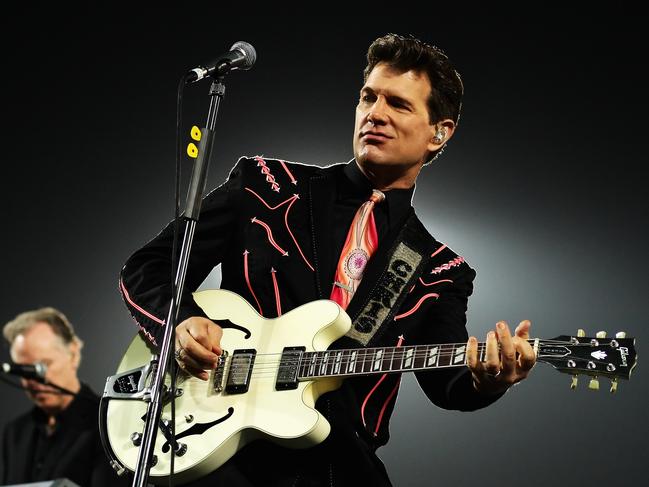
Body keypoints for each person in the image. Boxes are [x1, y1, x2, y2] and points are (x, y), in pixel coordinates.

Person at [118, 33, 537, 486]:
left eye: (398, 104)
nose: (375, 113)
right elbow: (148, 266)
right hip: (221, 446)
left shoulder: (439, 268)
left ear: (440, 132)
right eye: (368, 97)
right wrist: (178, 322)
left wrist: (491, 380)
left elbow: (448, 385)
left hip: (339, 462)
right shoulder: (266, 185)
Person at [1, 307, 130, 487]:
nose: (33, 381)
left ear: (73, 354)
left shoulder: (110, 423)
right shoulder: (15, 433)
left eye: (43, 365)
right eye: (23, 371)